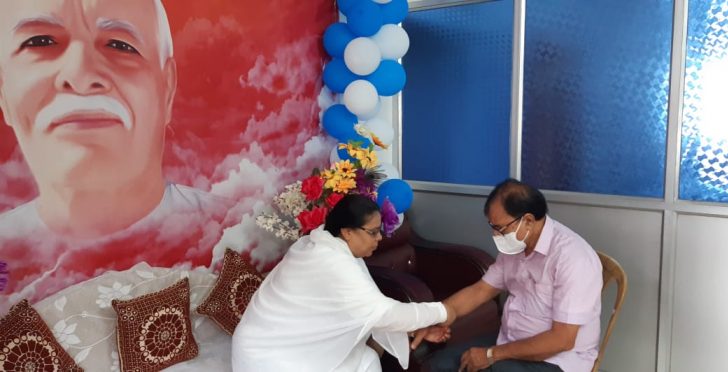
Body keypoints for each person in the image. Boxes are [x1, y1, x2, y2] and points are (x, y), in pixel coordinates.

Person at [0, 0, 232, 312]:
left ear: (167, 90)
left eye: (120, 45)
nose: (80, 75)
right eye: (40, 42)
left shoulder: (235, 235)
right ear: (3, 92)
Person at [232, 194, 455, 372]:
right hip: (269, 356)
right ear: (348, 232)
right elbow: (383, 313)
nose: (380, 238)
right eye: (373, 232)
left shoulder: (322, 242)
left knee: (364, 358)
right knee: (365, 361)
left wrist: (413, 330)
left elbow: (363, 309)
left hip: (280, 341)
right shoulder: (330, 260)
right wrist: (445, 311)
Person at [414, 179, 602, 372]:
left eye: (500, 228)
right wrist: (437, 317)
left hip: (559, 359)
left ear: (528, 221)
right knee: (439, 365)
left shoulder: (572, 257)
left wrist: (490, 355)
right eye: (492, 227)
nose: (496, 235)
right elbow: (481, 290)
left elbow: (562, 340)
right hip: (510, 341)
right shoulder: (518, 246)